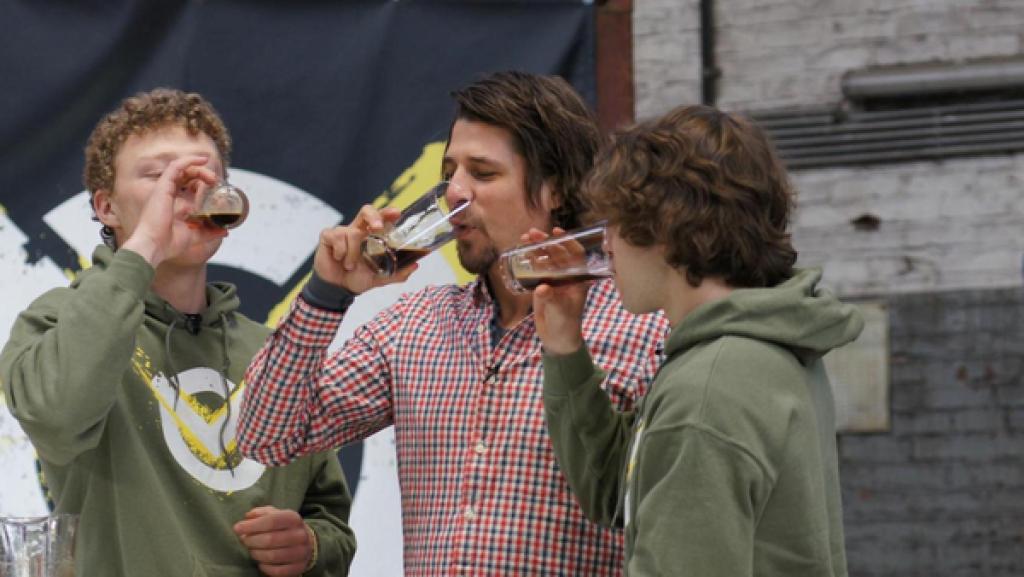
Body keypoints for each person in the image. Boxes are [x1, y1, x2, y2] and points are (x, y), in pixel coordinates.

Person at [237, 71, 668, 576]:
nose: (454, 192)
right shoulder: (413, 325)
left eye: (482, 174)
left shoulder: (645, 329)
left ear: (555, 188)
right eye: (450, 172)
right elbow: (266, 435)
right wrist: (326, 294)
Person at [0, 88, 356, 577]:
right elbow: (58, 417)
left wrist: (312, 546)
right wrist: (145, 242)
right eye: (158, 174)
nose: (185, 189)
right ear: (106, 207)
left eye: (202, 174)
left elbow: (331, 520)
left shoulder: (272, 349)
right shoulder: (56, 320)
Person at [532, 105, 864, 576]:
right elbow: (617, 491)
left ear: (664, 228)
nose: (605, 245)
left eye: (615, 224)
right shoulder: (761, 349)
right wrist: (565, 346)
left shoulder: (708, 389)